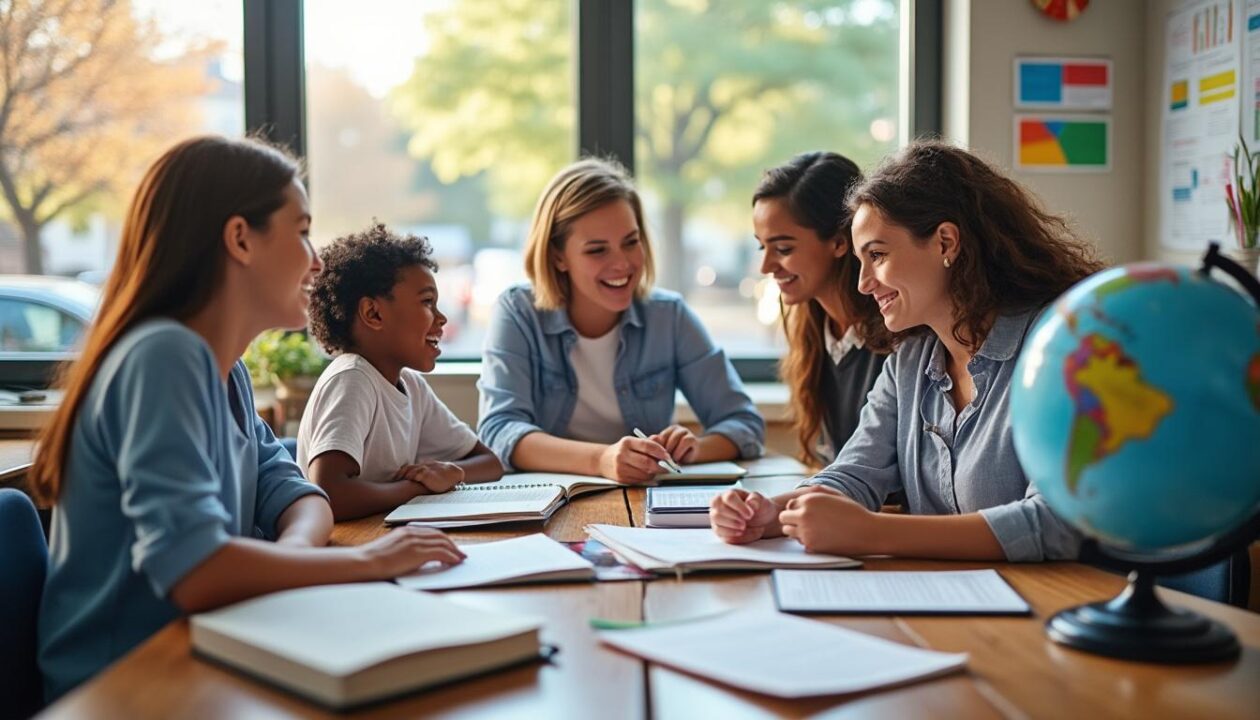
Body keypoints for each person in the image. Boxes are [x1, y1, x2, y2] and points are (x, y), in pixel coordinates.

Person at [31, 136, 465, 701]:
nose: (316, 260)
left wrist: (292, 560)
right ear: (240, 239)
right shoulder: (163, 356)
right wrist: (362, 562)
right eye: (302, 230)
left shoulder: (226, 369)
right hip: (127, 685)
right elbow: (197, 570)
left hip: (214, 645)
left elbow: (297, 494)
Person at [711, 141, 1105, 562]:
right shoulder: (909, 361)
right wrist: (774, 513)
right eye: (861, 260)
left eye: (877, 256)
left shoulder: (1059, 348)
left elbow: (1056, 525)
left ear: (946, 243)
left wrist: (876, 533)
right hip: (946, 604)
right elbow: (855, 474)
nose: (863, 283)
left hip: (1051, 604)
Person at [478, 158, 765, 484]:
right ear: (558, 257)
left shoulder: (668, 317)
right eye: (597, 250)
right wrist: (601, 459)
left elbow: (744, 423)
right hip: (550, 499)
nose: (622, 264)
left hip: (645, 500)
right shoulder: (518, 314)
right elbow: (499, 431)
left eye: (631, 242)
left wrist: (694, 449)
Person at [298, 222, 503, 521]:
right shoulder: (352, 379)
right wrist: (417, 488)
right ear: (374, 314)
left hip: (378, 534)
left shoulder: (410, 385)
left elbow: (489, 462)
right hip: (345, 544)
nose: (442, 318)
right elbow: (330, 493)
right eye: (427, 302)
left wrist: (452, 472)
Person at [753, 151, 891, 466]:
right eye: (762, 246)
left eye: (783, 248)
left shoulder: (897, 335)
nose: (766, 266)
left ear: (841, 243)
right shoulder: (816, 333)